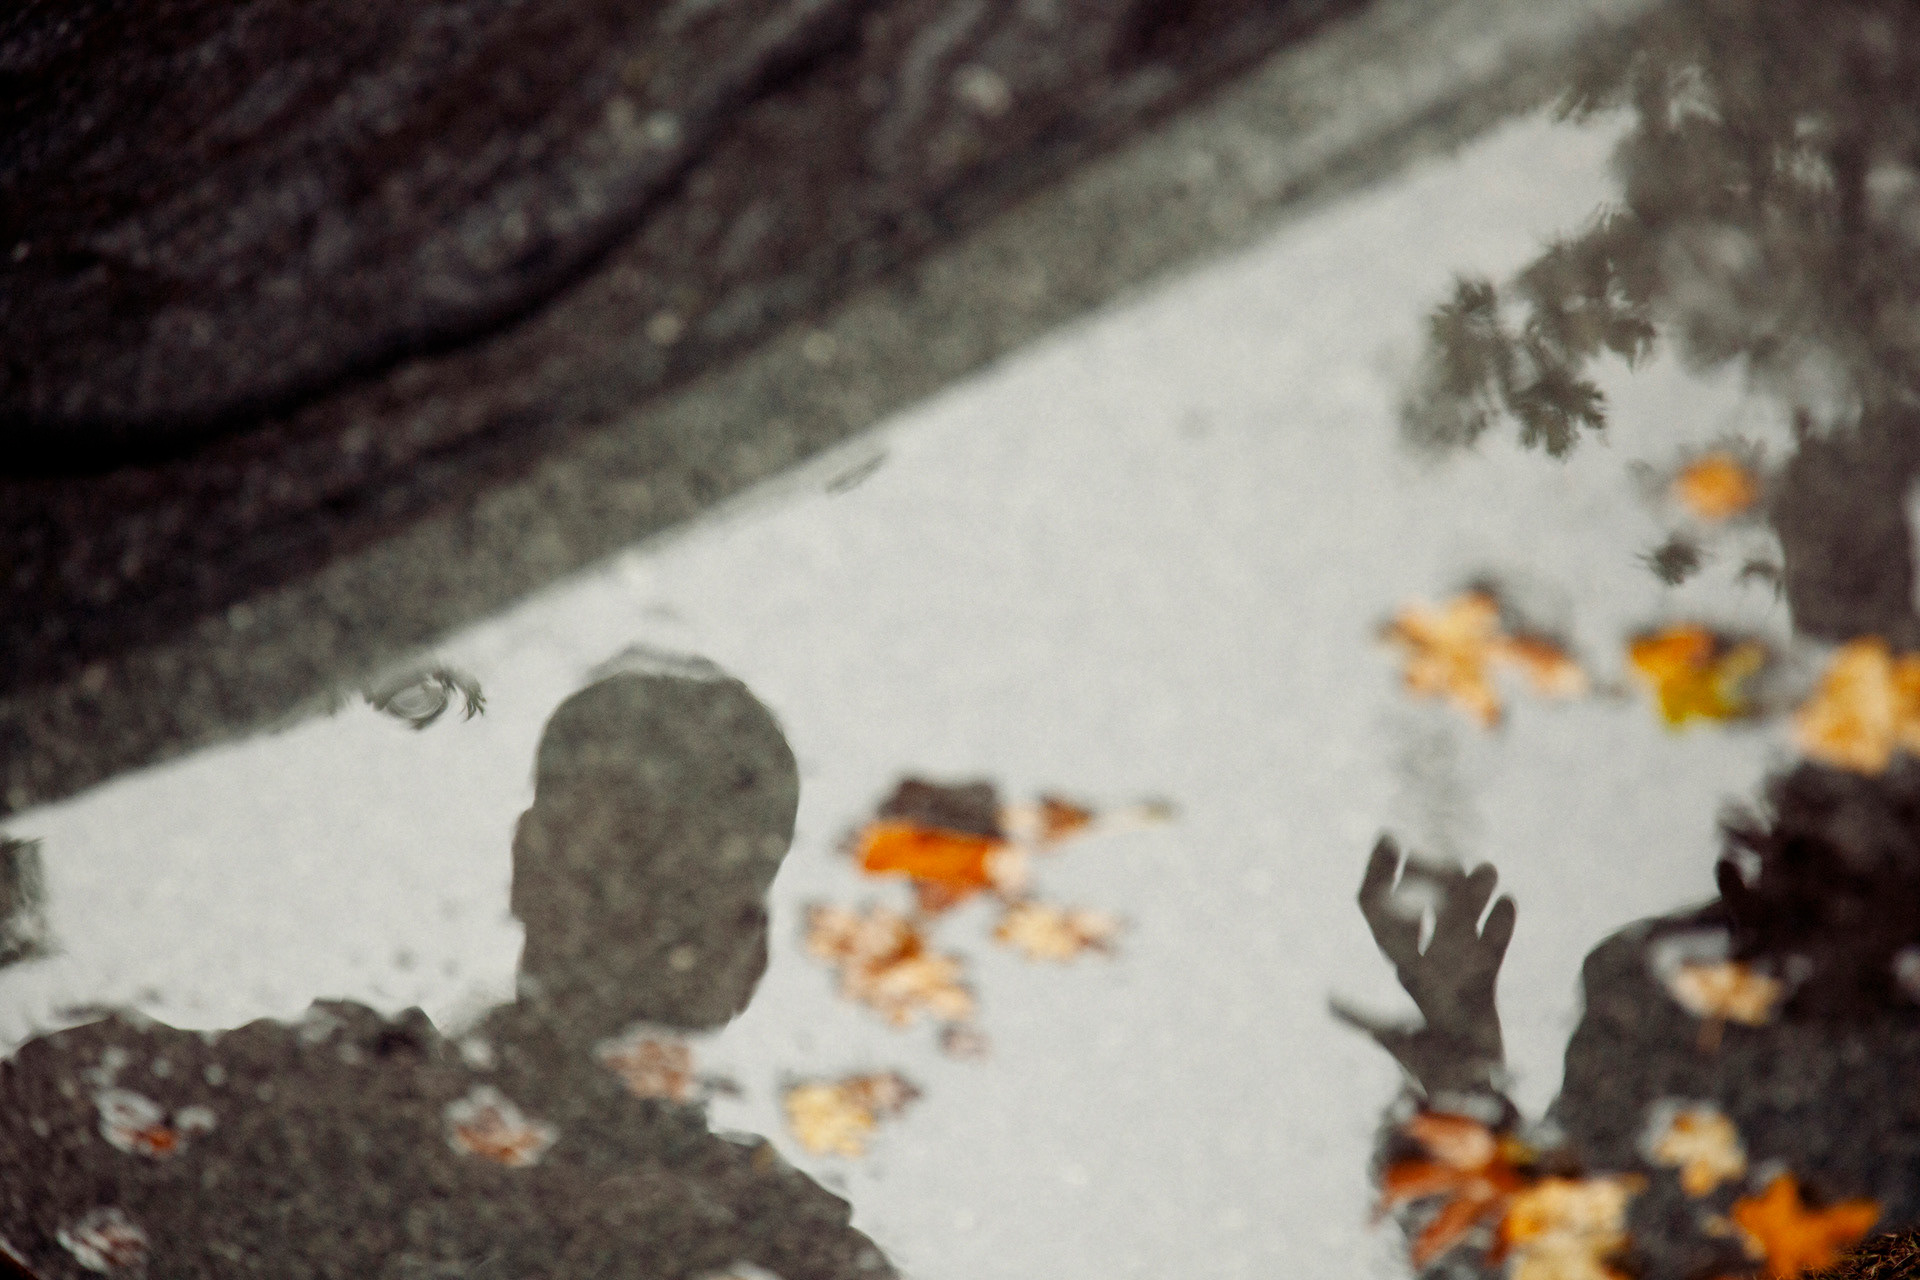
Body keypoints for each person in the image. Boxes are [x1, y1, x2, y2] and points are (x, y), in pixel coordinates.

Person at [0, 668, 894, 1280]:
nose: (641, 920)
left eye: (687, 889)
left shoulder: (774, 1242)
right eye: (613, 867)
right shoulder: (311, 1104)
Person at [1345, 759, 1920, 1278]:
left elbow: (1490, 1236)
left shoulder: (1650, 983)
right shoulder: (1652, 983)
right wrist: (1458, 1052)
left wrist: (1458, 1051)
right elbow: (1510, 1234)